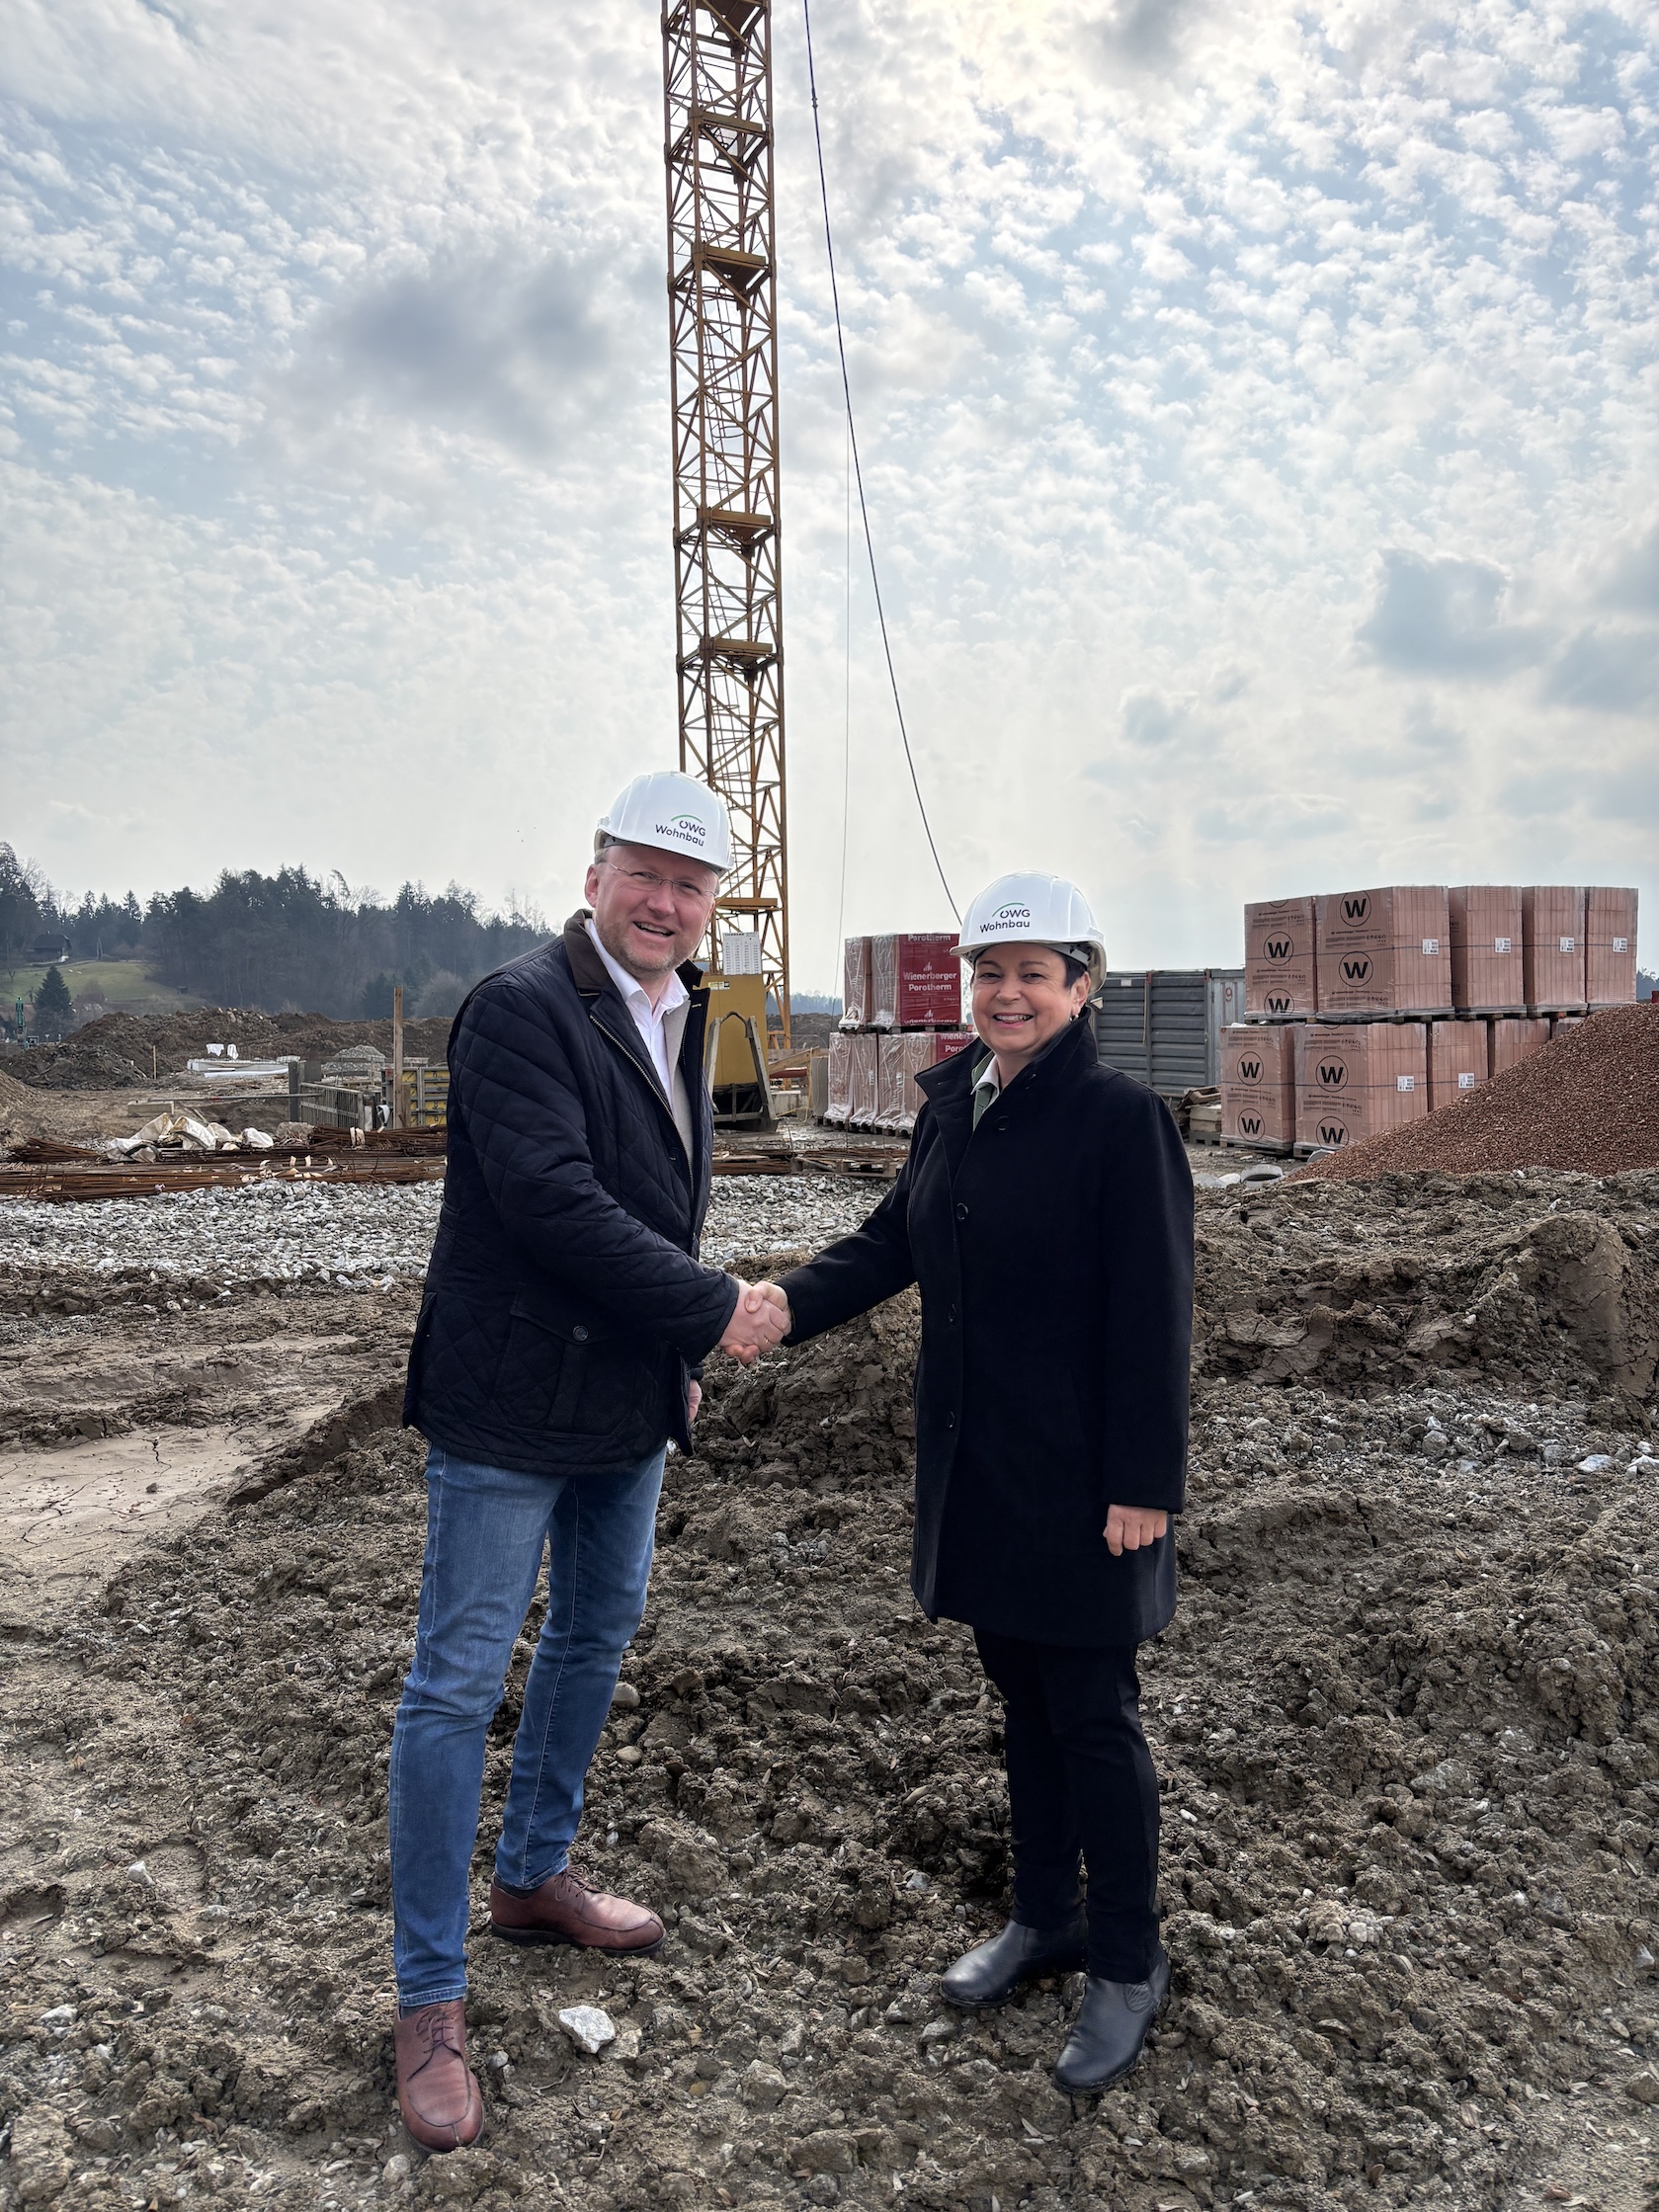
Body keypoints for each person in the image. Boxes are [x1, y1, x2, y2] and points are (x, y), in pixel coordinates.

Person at [388, 771, 788, 2152]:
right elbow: (551, 1201)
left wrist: (674, 1346)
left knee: (593, 1633)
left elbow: (664, 1200)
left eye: (690, 884)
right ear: (594, 873)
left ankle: (532, 1874)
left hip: (624, 1401)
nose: (665, 902)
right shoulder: (518, 1007)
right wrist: (711, 1307)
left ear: (710, 903)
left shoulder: (682, 1013)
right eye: (644, 874)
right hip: (507, 1405)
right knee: (454, 1684)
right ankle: (428, 1998)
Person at [761, 872, 1194, 2092]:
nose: (1007, 994)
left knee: (1092, 1713)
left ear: (1079, 986)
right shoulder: (954, 1103)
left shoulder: (1119, 1121)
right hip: (984, 1465)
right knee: (1022, 1698)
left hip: (1086, 1477)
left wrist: (1142, 1483)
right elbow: (891, 1240)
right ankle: (1044, 1915)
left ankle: (1126, 1959)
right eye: (988, 973)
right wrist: (779, 1305)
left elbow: (1154, 1312)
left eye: (1032, 975)